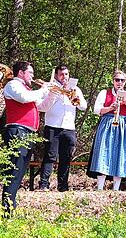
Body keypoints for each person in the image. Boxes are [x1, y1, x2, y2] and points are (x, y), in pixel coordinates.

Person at [1, 61, 52, 213]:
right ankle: (7, 208)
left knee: (20, 171)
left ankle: (10, 206)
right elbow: (24, 98)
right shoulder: (13, 85)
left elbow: (42, 106)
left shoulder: (28, 89)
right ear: (21, 73)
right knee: (14, 170)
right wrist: (43, 90)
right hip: (18, 131)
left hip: (27, 133)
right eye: (30, 72)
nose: (33, 76)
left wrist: (52, 96)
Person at [87, 70, 126, 191]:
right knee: (103, 153)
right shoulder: (104, 93)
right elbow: (96, 110)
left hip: (123, 125)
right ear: (113, 81)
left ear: (125, 82)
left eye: (122, 80)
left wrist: (125, 103)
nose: (119, 82)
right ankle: (100, 188)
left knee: (121, 154)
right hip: (107, 124)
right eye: (117, 80)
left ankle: (116, 188)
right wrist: (110, 107)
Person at [37, 64, 87, 192]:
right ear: (56, 76)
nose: (64, 77)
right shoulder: (50, 88)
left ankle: (63, 186)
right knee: (50, 156)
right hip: (53, 127)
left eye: (66, 74)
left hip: (69, 128)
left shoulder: (75, 89)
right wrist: (53, 94)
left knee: (66, 157)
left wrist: (73, 96)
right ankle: (43, 184)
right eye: (61, 74)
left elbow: (84, 106)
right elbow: (41, 107)